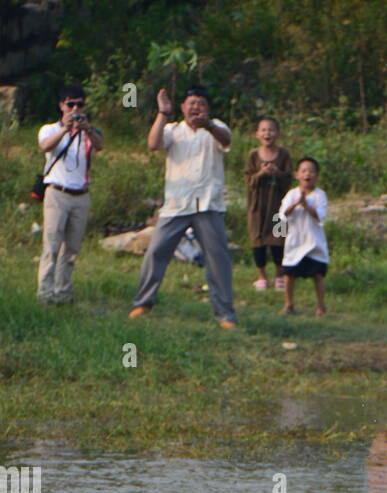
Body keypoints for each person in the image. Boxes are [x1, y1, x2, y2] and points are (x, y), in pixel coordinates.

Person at [128, 85, 237, 326]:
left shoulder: (216, 127)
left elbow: (227, 140)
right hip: (177, 204)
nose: (195, 107)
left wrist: (208, 125)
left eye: (200, 103)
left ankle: (225, 314)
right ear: (183, 107)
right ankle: (142, 303)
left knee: (218, 259)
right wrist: (162, 113)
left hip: (209, 203)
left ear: (207, 108)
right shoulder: (172, 129)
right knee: (156, 252)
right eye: (191, 103)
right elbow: (153, 144)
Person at [36, 85, 104, 305]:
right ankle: (45, 293)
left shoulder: (89, 132)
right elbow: (45, 146)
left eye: (80, 104)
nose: (75, 108)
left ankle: (63, 292)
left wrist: (87, 129)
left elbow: (100, 146)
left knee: (71, 249)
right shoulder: (49, 129)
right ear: (61, 106)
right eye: (70, 104)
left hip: (81, 195)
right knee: (52, 246)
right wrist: (65, 129)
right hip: (57, 193)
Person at [277, 158, 328, 317]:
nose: (308, 174)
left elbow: (320, 216)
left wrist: (306, 206)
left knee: (317, 274)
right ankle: (289, 304)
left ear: (317, 175)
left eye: (311, 171)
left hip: (314, 242)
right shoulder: (292, 194)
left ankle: (320, 307)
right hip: (295, 241)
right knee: (289, 274)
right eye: (304, 171)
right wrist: (296, 204)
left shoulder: (320, 195)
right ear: (297, 175)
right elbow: (282, 214)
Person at [245, 117, 292, 291]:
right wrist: (261, 173)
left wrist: (276, 172)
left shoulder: (284, 155)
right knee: (258, 241)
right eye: (263, 130)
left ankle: (280, 276)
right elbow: (249, 180)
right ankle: (262, 277)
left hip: (278, 208)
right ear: (257, 134)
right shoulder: (253, 155)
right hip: (258, 207)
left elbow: (288, 179)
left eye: (271, 130)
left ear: (277, 133)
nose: (267, 133)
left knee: (279, 240)